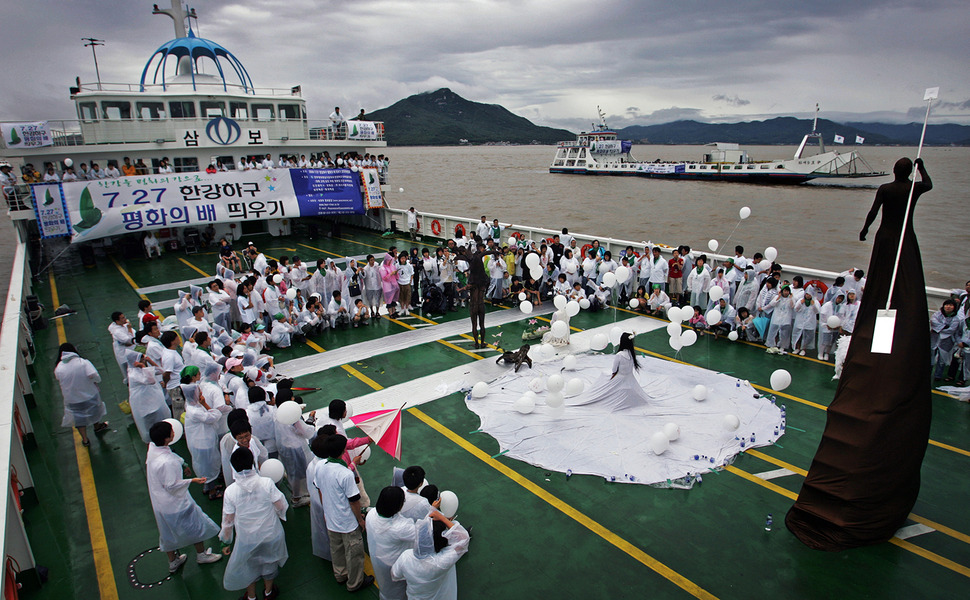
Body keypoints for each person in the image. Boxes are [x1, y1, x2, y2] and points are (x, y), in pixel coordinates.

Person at [146, 421, 223, 573]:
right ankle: (201, 555)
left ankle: (173, 561)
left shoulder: (153, 448)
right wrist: (192, 480)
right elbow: (171, 485)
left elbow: (170, 454)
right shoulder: (167, 463)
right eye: (171, 431)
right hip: (175, 503)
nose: (174, 432)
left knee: (167, 532)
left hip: (159, 503)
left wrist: (183, 463)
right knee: (195, 526)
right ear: (167, 438)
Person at [220, 448, 288, 600]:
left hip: (247, 538)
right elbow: (281, 505)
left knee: (249, 566)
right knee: (270, 562)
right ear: (252, 463)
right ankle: (268, 592)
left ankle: (251, 597)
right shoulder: (266, 483)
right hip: (270, 533)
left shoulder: (231, 492)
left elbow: (228, 520)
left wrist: (225, 541)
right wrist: (278, 515)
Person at [312, 434, 374, 592]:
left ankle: (340, 574)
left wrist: (326, 509)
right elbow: (354, 501)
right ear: (342, 451)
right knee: (354, 553)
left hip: (331, 518)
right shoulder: (345, 474)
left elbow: (319, 488)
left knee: (337, 549)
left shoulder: (320, 466)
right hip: (347, 522)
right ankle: (355, 583)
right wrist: (360, 519)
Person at [390, 512, 471, 600]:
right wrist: (442, 518)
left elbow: (394, 575)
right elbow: (464, 539)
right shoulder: (441, 562)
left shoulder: (406, 557)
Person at [572, 333, 649, 411]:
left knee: (604, 376)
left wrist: (614, 374)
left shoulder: (620, 355)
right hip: (629, 377)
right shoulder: (631, 354)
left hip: (620, 377)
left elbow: (614, 369)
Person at [366, 487, 419, 600]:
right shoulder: (400, 527)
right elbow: (423, 535)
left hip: (379, 558)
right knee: (398, 590)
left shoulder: (372, 514)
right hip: (394, 563)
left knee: (386, 587)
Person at [55, 343, 109, 446]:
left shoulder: (59, 367)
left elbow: (59, 379)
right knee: (94, 412)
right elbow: (95, 375)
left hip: (72, 399)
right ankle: (97, 426)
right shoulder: (83, 363)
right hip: (89, 395)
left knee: (79, 419)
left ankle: (85, 440)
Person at [124, 351, 170, 444]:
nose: (144, 360)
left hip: (154, 402)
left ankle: (162, 445)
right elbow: (151, 380)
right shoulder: (133, 374)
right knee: (150, 430)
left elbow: (161, 371)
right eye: (141, 359)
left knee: (160, 428)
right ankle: (152, 446)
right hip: (145, 407)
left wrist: (150, 361)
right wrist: (143, 367)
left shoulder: (143, 369)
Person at [108, 312, 136, 384]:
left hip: (129, 350)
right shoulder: (117, 331)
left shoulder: (122, 326)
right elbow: (129, 340)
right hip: (124, 354)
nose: (125, 319)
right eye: (122, 318)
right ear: (117, 321)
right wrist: (129, 329)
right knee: (129, 372)